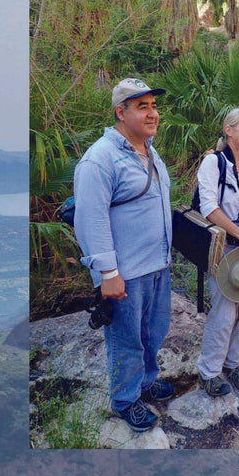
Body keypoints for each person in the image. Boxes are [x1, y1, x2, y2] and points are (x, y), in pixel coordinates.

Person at [73, 77, 174, 433]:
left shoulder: (148, 149)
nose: (152, 114)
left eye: (154, 106)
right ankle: (125, 400)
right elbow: (90, 219)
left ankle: (146, 382)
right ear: (121, 112)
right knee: (127, 340)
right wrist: (107, 273)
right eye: (142, 106)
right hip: (126, 274)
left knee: (153, 332)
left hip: (158, 266)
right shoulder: (100, 159)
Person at [195, 108, 239, 397]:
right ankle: (209, 371)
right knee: (225, 312)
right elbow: (209, 207)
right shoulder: (213, 164)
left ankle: (233, 364)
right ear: (228, 130)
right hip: (223, 247)